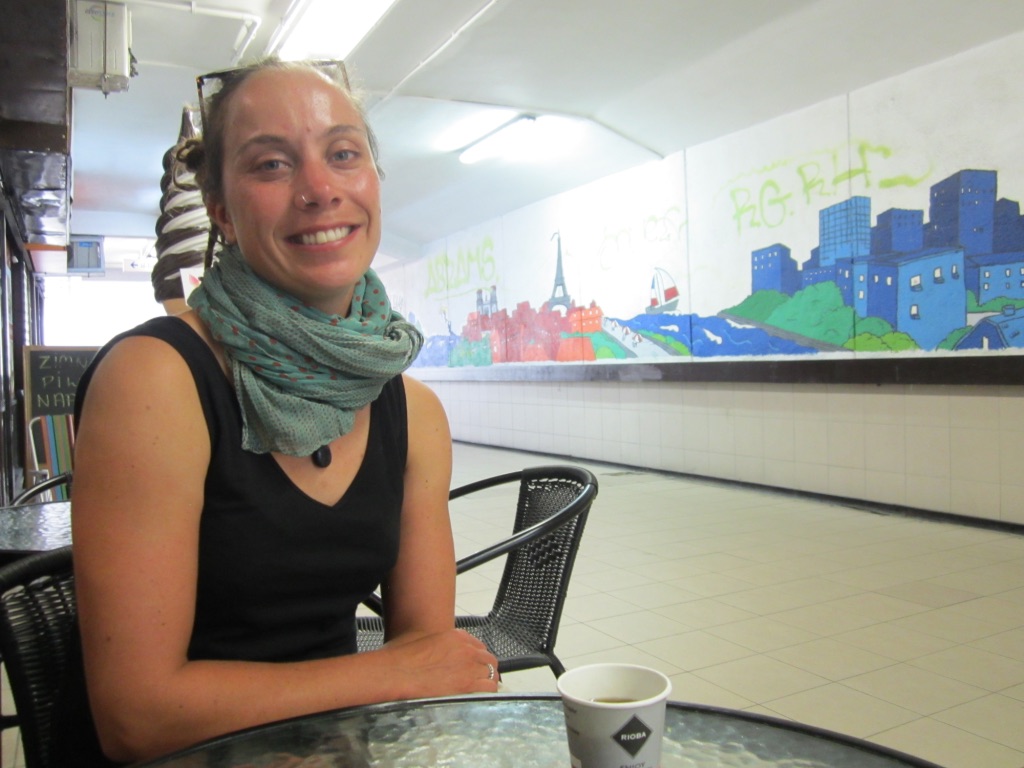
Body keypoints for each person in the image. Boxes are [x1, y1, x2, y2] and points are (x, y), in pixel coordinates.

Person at [66, 58, 499, 765]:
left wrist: (401, 675)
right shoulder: (157, 380)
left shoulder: (413, 412)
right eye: (271, 164)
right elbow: (137, 717)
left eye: (344, 154)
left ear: (375, 180)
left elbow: (426, 654)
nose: (320, 190)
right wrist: (384, 674)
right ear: (221, 211)